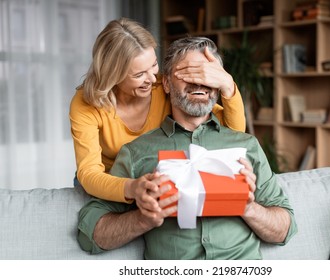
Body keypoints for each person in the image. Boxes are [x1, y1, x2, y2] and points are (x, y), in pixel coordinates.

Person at [77, 36, 297, 260]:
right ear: (166, 83)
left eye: (207, 75)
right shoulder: (136, 153)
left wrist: (248, 208)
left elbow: (285, 229)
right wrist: (143, 219)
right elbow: (91, 235)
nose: (199, 82)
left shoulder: (245, 146)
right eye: (188, 73)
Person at [69, 18, 246, 203]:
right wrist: (132, 187)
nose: (153, 79)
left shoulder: (164, 86)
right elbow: (89, 174)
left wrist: (227, 84)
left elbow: (232, 132)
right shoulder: (87, 102)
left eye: (153, 65)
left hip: (151, 180)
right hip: (108, 184)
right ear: (113, 75)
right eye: (139, 75)